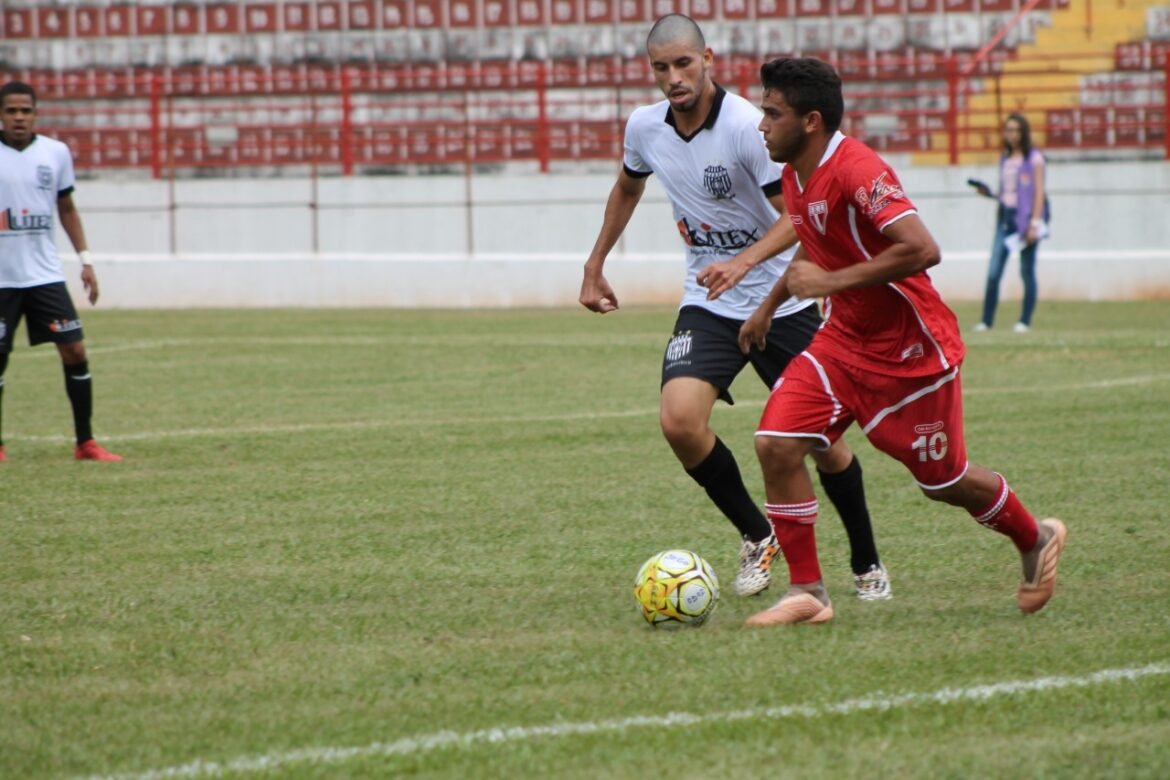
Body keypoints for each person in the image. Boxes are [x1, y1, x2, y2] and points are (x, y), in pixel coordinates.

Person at [699, 57, 1066, 626]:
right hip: (843, 340)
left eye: (773, 113)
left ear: (811, 121)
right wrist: (767, 308)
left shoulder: (858, 170)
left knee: (943, 482)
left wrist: (830, 283)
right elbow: (816, 237)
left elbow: (921, 248)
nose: (761, 125)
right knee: (776, 442)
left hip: (910, 350)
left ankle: (1034, 536)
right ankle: (808, 591)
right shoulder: (795, 172)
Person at [579, 16, 890, 600]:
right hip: (710, 300)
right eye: (661, 68)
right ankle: (757, 534)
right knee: (679, 422)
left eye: (683, 63)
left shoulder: (749, 126)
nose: (673, 77)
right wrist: (595, 264)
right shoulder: (644, 127)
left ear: (707, 59)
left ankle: (866, 561)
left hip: (781, 303)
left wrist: (745, 262)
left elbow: (795, 215)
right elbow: (627, 187)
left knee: (823, 442)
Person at [0, 80, 122, 462]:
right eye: (11, 110)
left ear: (36, 114)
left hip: (45, 277)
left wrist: (85, 259)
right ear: (1, 114)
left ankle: (85, 443)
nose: (19, 118)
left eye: (25, 110)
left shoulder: (56, 153)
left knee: (74, 349)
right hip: (2, 279)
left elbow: (66, 208)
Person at [969, 113, 1048, 333]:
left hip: (1025, 219)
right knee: (994, 271)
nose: (1012, 135)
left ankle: (1024, 320)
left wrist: (1034, 223)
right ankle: (986, 320)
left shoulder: (1034, 158)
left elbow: (1038, 193)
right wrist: (989, 194)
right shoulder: (1005, 158)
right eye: (1009, 130)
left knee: (1026, 271)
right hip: (1005, 218)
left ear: (1024, 133)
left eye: (1016, 130)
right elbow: (1008, 193)